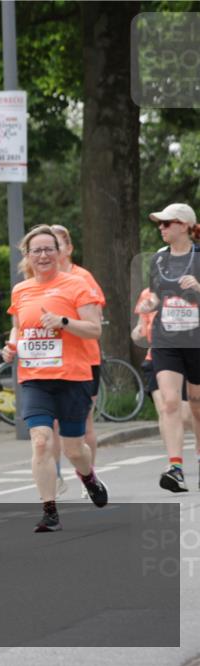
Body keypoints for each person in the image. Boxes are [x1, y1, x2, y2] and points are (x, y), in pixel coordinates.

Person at [1, 225, 109, 532]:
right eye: (37, 250)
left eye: (49, 249)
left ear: (60, 253)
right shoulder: (20, 290)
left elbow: (94, 329)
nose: (44, 255)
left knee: (74, 448)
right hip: (35, 378)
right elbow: (19, 327)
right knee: (41, 441)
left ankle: (88, 476)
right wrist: (11, 347)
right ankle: (49, 510)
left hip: (72, 376)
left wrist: (63, 322)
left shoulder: (77, 285)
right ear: (28, 255)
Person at [137, 203, 200, 492]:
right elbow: (155, 295)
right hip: (166, 340)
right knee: (171, 402)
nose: (161, 228)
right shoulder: (158, 260)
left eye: (167, 223)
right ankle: (175, 467)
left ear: (185, 225)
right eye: (159, 224)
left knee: (197, 405)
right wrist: (151, 304)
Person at [49, 224, 106, 499]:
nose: (52, 252)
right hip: (52, 360)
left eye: (57, 246)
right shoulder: (39, 279)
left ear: (68, 249)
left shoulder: (83, 278)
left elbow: (94, 319)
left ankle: (88, 475)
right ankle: (55, 476)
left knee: (85, 423)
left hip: (85, 358)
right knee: (52, 426)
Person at [133, 287, 197, 462]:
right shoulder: (147, 293)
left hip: (185, 357)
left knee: (186, 414)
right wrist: (137, 332)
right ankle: (174, 462)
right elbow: (140, 326)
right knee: (165, 407)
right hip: (155, 357)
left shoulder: (190, 288)